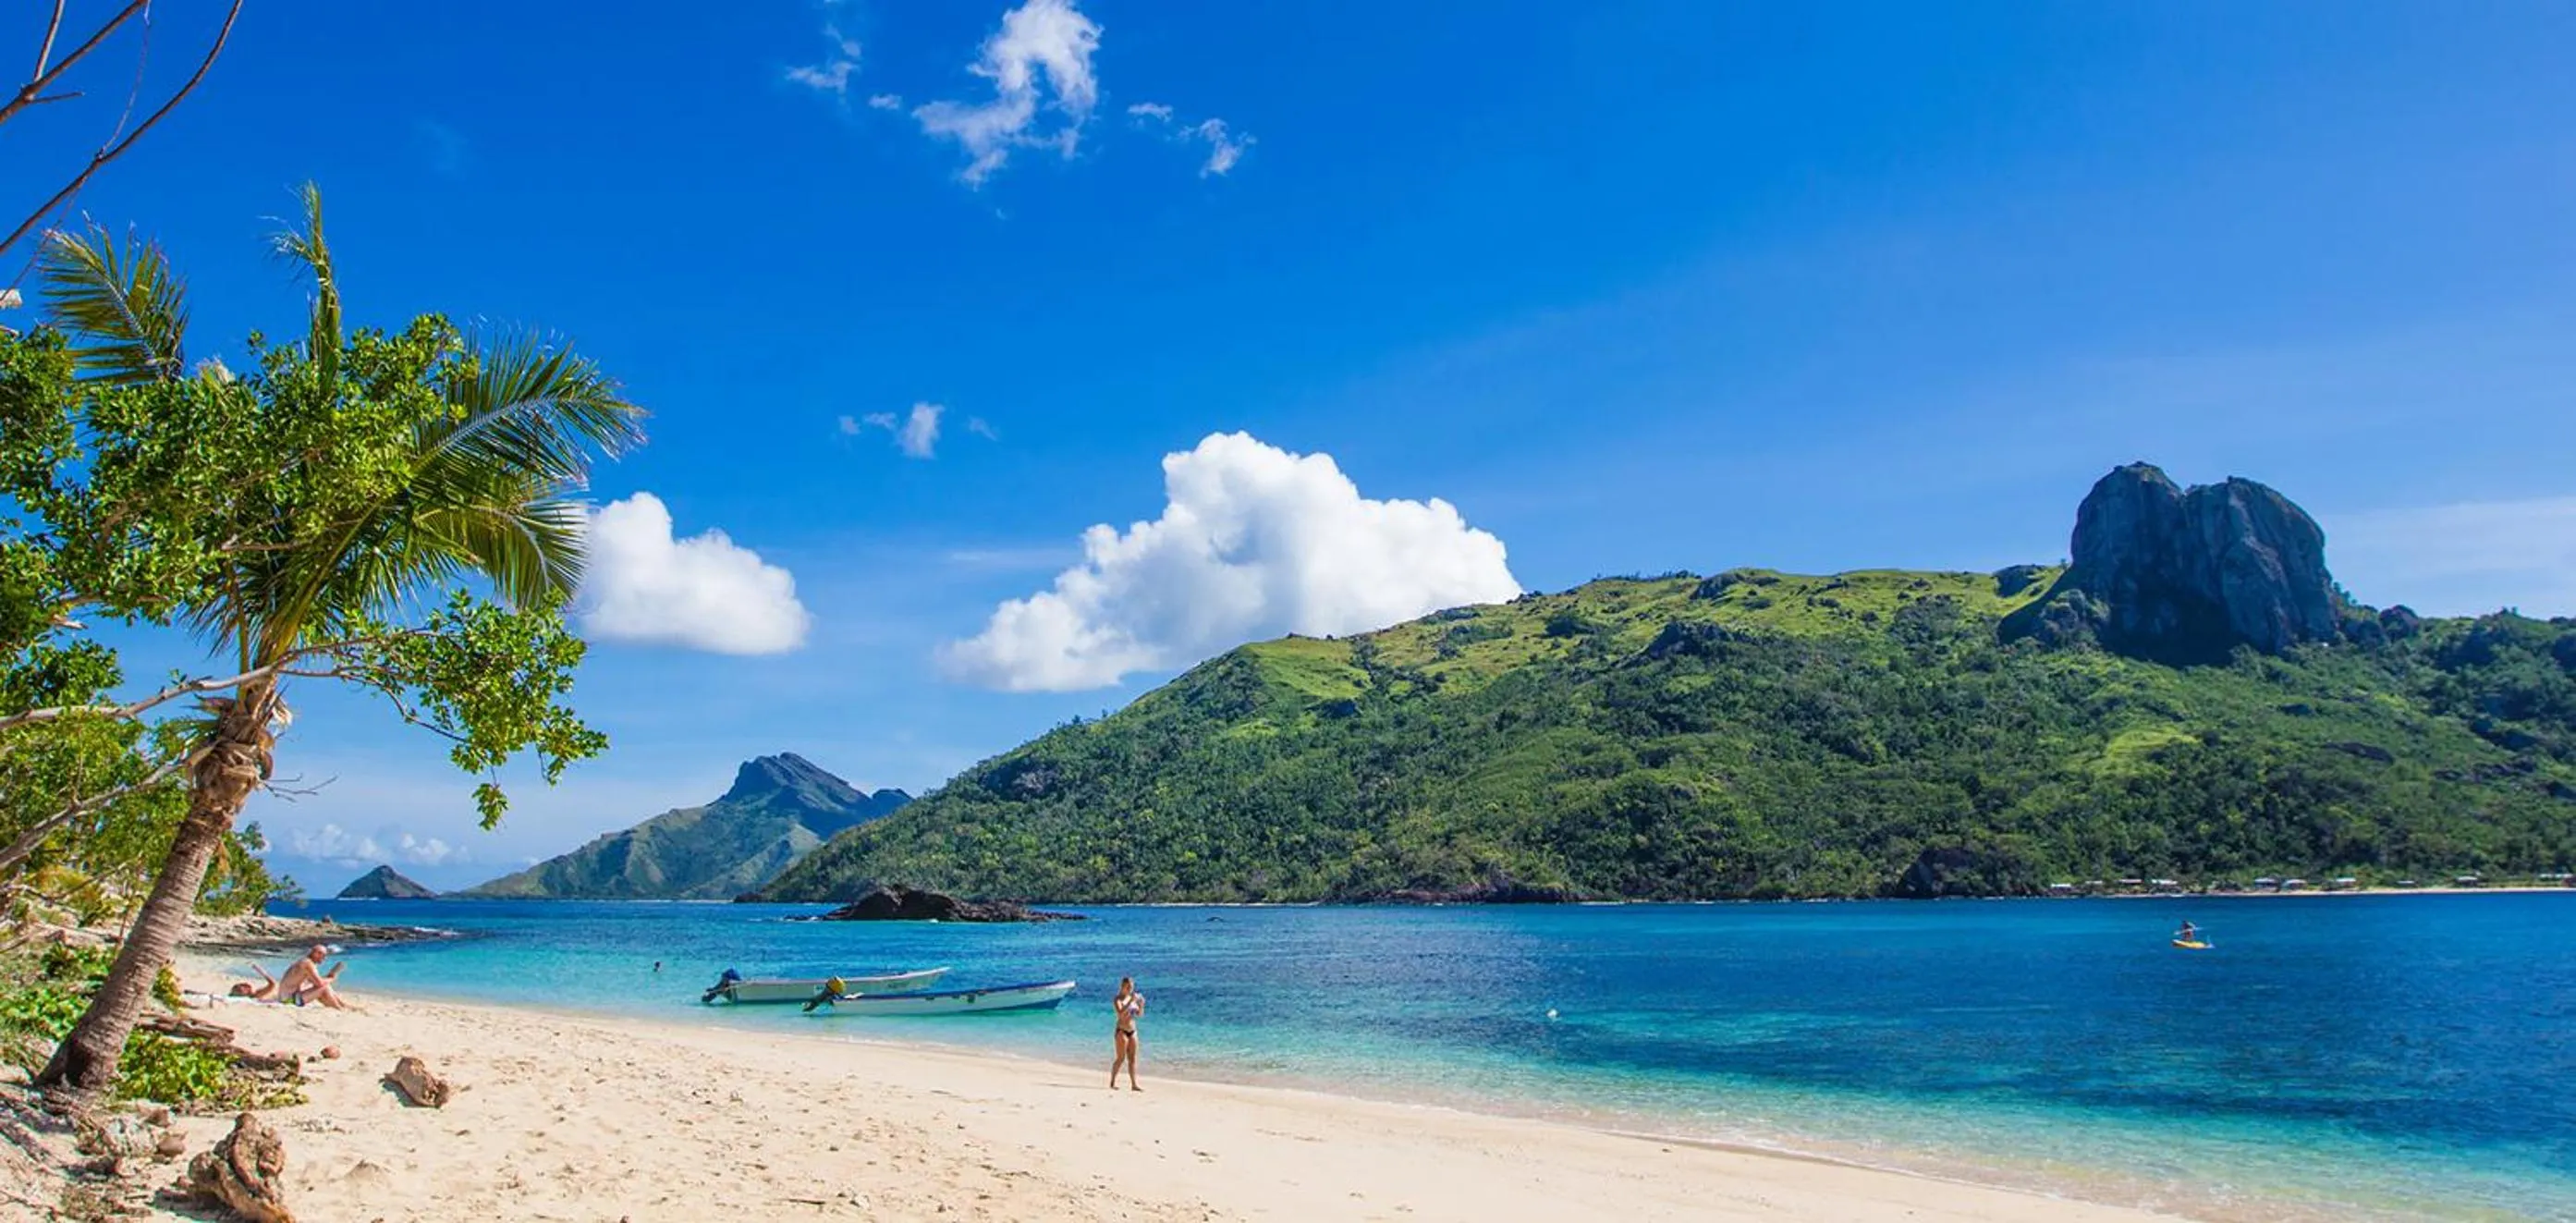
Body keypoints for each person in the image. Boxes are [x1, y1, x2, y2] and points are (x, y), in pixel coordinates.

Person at [275, 945, 350, 1009]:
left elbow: (315, 982)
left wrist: (330, 975)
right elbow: (320, 983)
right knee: (324, 987)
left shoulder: (305, 961)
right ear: (316, 954)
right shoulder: (308, 964)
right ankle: (338, 1008)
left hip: (287, 997)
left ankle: (341, 1005)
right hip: (288, 1000)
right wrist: (332, 977)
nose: (324, 958)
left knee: (324, 986)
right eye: (323, 955)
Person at [1109, 976, 1145, 1092]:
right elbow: (1120, 1014)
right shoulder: (1117, 999)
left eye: (1132, 987)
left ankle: (1134, 1084)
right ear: (1123, 987)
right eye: (1128, 987)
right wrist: (1130, 1001)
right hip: (1121, 1030)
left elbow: (1139, 1015)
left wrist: (1141, 1005)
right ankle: (1112, 1081)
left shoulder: (1132, 998)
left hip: (1132, 1030)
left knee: (1132, 1059)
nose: (1130, 989)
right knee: (1120, 1058)